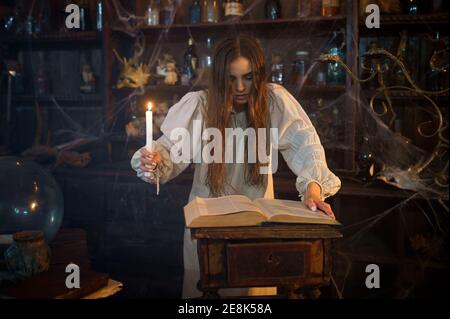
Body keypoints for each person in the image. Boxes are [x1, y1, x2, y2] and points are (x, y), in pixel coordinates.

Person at [131, 35, 341, 298]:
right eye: (231, 79)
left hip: (257, 232)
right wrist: (155, 159)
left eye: (249, 77)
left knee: (253, 296)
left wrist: (312, 189)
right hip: (208, 233)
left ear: (260, 74)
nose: (241, 87)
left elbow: (306, 145)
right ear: (219, 76)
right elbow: (171, 148)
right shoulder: (200, 105)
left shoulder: (274, 101)